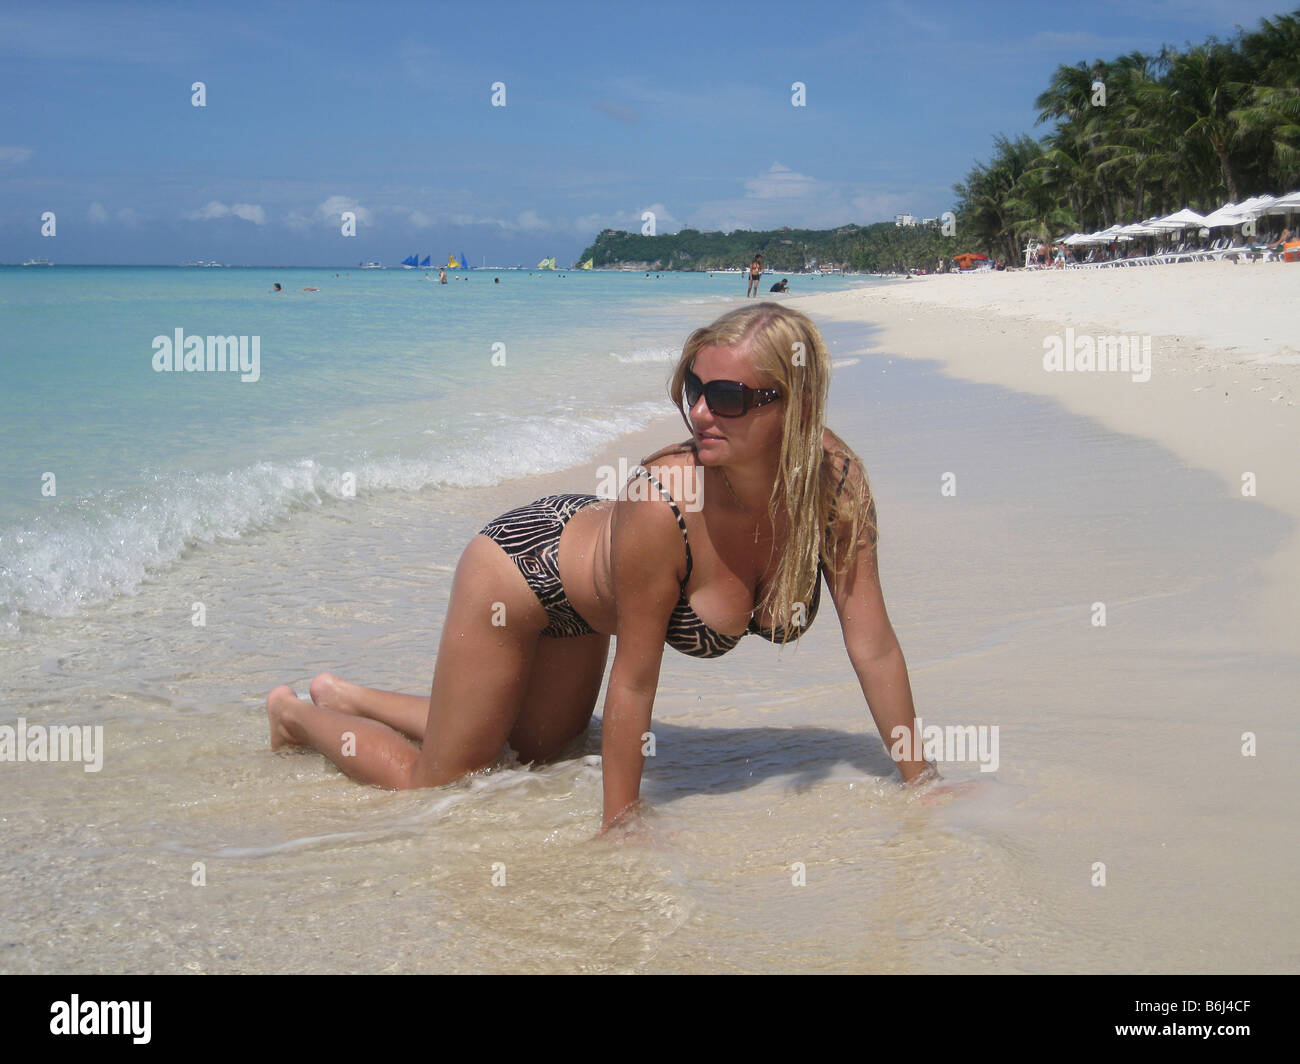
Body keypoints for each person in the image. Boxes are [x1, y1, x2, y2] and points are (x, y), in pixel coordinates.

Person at [265, 303, 936, 831]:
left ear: (792, 406)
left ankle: (351, 696)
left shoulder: (836, 486)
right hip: (522, 572)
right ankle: (298, 713)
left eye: (727, 396)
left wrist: (922, 781)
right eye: (693, 387)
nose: (700, 410)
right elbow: (637, 680)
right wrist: (622, 823)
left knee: (536, 752)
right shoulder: (664, 502)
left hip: (591, 585)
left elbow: (872, 643)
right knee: (443, 779)